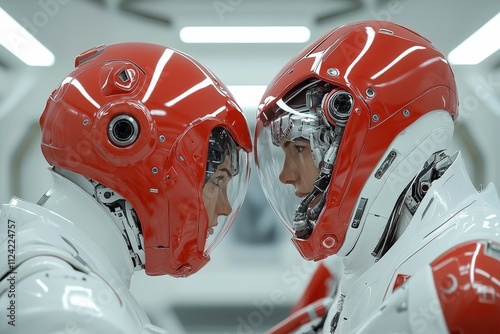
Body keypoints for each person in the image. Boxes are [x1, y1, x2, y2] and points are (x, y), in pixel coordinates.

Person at [254, 20, 500, 333]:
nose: (286, 176)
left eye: (300, 149)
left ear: (371, 138)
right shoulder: (370, 261)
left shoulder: (475, 279)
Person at [0, 42, 252, 333]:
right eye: (217, 181)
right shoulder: (72, 314)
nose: (225, 207)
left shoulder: (40, 265)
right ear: (134, 153)